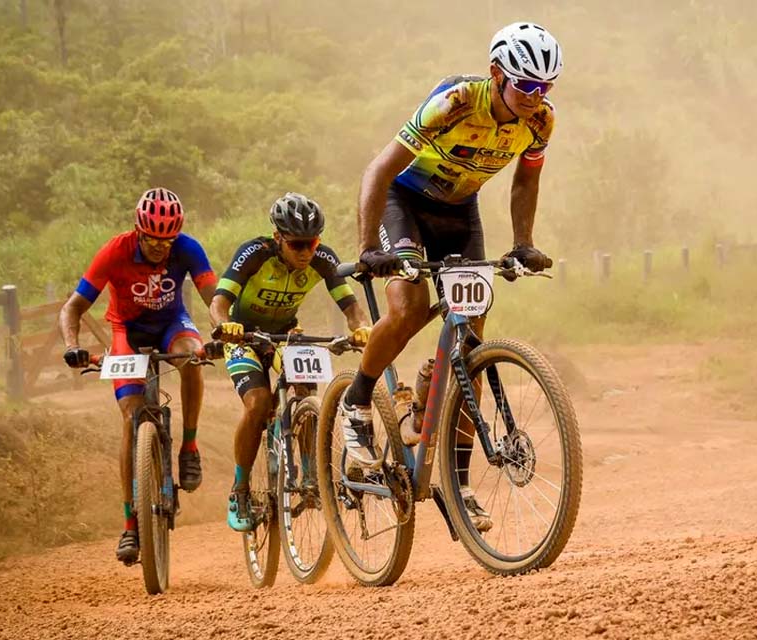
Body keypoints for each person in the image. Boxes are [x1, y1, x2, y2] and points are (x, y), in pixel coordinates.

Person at [340, 22, 562, 531]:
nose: (535, 98)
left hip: (460, 212)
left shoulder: (541, 122)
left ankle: (458, 483)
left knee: (471, 345)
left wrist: (522, 243)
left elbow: (526, 181)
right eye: (525, 85)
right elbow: (378, 171)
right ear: (496, 74)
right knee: (410, 308)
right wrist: (370, 249)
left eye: (544, 87)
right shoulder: (456, 101)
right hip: (406, 203)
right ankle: (357, 401)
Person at [59, 187, 217, 563]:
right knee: (131, 418)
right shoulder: (114, 251)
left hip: (171, 325)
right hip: (126, 331)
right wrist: (70, 345)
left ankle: (189, 447)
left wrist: (222, 330)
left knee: (192, 358)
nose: (162, 247)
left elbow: (214, 297)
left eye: (168, 239)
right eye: (153, 239)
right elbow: (74, 307)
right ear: (138, 230)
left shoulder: (188, 248)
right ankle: (130, 524)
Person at [209, 192, 372, 532]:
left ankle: (311, 474)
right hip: (245, 337)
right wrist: (224, 326)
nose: (305, 253)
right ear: (278, 238)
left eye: (311, 244)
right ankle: (239, 490)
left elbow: (351, 308)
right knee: (257, 404)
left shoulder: (322, 258)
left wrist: (361, 328)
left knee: (304, 386)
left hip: (286, 332)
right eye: (296, 244)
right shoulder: (253, 254)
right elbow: (219, 302)